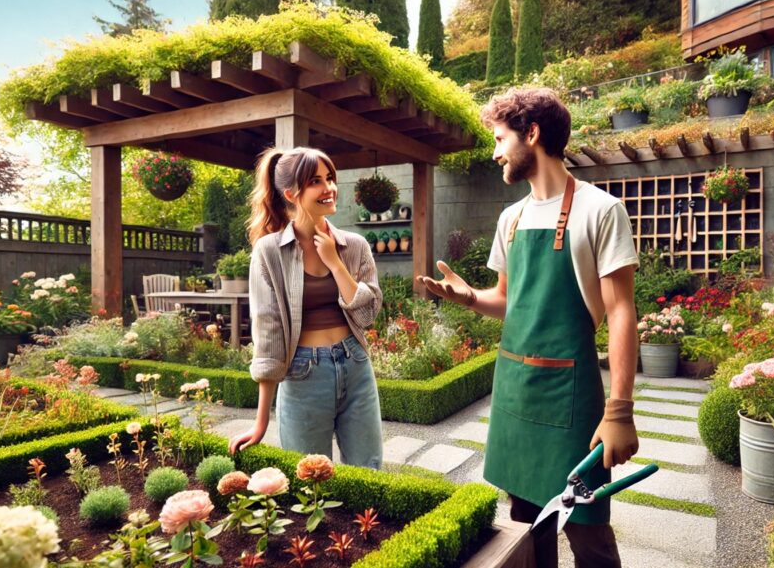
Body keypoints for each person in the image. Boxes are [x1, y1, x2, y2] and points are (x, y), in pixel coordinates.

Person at [418, 88, 640, 568]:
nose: (496, 151)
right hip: (515, 392)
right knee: (525, 524)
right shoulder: (511, 219)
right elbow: (508, 301)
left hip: (571, 395)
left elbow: (621, 311)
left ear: (532, 134)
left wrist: (619, 409)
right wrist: (469, 298)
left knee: (588, 530)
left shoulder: (600, 211)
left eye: (500, 138)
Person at [229, 147, 383, 470]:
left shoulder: (354, 246)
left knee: (369, 471)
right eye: (316, 181)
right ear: (291, 193)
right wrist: (260, 423)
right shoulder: (269, 252)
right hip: (303, 374)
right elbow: (268, 333)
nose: (328, 188)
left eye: (330, 178)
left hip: (355, 365)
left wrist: (335, 263)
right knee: (310, 482)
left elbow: (367, 315)